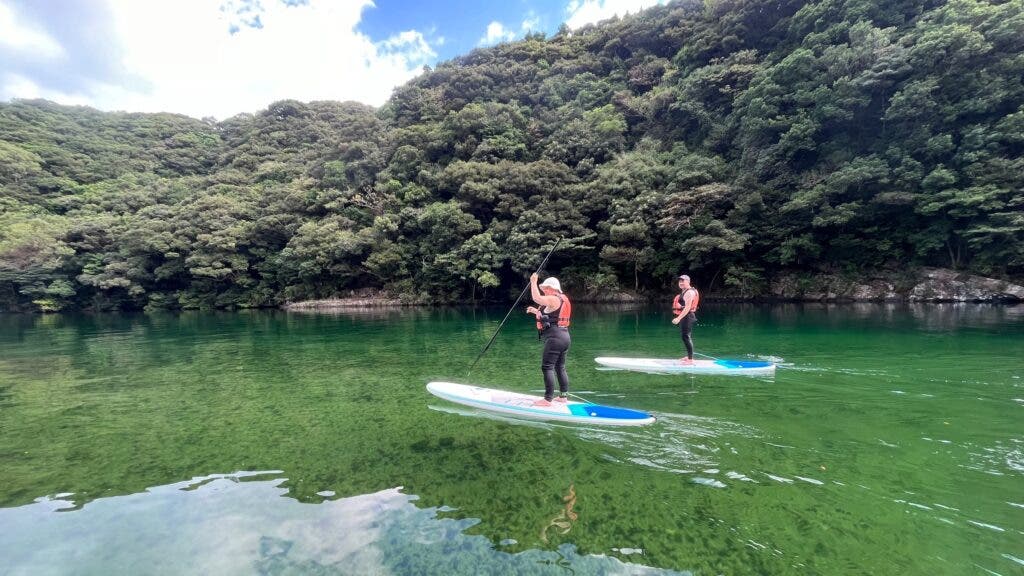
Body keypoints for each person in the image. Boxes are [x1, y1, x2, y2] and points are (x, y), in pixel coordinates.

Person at [525, 273, 572, 406]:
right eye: (543, 287)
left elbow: (536, 297)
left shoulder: (554, 298)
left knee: (547, 367)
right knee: (560, 367)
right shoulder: (558, 300)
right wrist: (536, 311)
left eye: (546, 288)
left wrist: (533, 282)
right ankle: (563, 396)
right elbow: (549, 317)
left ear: (554, 289)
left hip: (555, 338)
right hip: (564, 337)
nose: (544, 290)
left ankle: (547, 399)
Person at [671, 274, 700, 364]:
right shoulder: (685, 291)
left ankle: (690, 360)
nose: (681, 283)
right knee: (685, 337)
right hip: (686, 316)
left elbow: (687, 308)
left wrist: (678, 318)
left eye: (683, 281)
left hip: (687, 316)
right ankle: (689, 357)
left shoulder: (689, 292)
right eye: (680, 281)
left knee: (686, 337)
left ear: (688, 281)